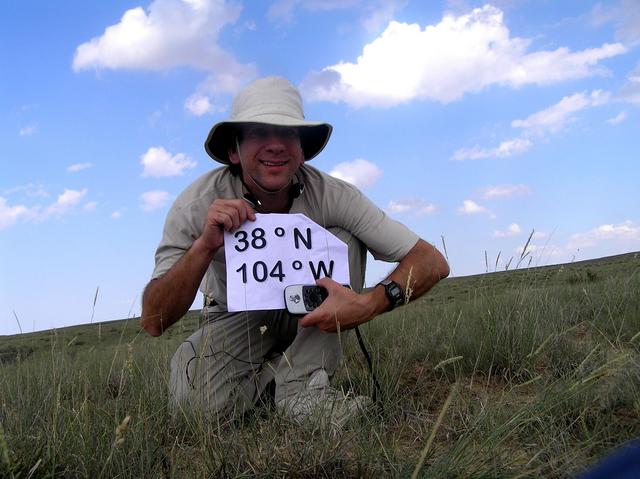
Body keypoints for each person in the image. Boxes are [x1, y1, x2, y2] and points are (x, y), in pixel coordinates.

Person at [140, 76, 449, 426]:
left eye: (288, 134)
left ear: (302, 150)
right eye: (258, 132)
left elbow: (431, 261)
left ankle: (303, 389)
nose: (276, 146)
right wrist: (205, 246)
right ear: (233, 151)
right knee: (194, 411)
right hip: (235, 316)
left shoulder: (333, 195)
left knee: (342, 234)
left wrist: (369, 304)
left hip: (312, 310)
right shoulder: (195, 206)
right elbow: (154, 320)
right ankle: (274, 380)